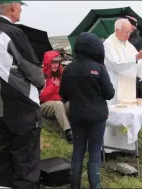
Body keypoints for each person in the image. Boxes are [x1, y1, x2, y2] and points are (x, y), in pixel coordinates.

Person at [0, 1, 45, 188]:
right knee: (26, 165)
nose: (22, 9)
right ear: (13, 7)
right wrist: (41, 82)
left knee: (4, 162)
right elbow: (34, 72)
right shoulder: (13, 33)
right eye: (20, 5)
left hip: (2, 105)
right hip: (23, 105)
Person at [59, 32, 115, 189]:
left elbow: (63, 94)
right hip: (97, 117)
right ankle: (95, 186)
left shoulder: (68, 68)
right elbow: (110, 94)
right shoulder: (99, 68)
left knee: (78, 150)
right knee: (95, 151)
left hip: (77, 115)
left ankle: (74, 185)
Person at [103, 18, 142, 105]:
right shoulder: (108, 44)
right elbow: (116, 64)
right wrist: (136, 57)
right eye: (126, 32)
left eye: (130, 32)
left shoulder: (129, 46)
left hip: (129, 88)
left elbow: (136, 64)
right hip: (116, 85)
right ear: (117, 30)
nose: (128, 35)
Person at [40, 50, 73, 143]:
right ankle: (68, 132)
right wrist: (53, 86)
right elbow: (40, 97)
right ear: (48, 62)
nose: (56, 65)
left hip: (61, 104)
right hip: (44, 105)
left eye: (58, 62)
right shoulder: (42, 75)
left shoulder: (61, 74)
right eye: (53, 62)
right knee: (58, 104)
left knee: (72, 102)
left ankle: (78, 128)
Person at [124, 13, 142, 98]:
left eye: (129, 25)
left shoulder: (140, 41)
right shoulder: (118, 40)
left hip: (134, 78)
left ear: (134, 27)